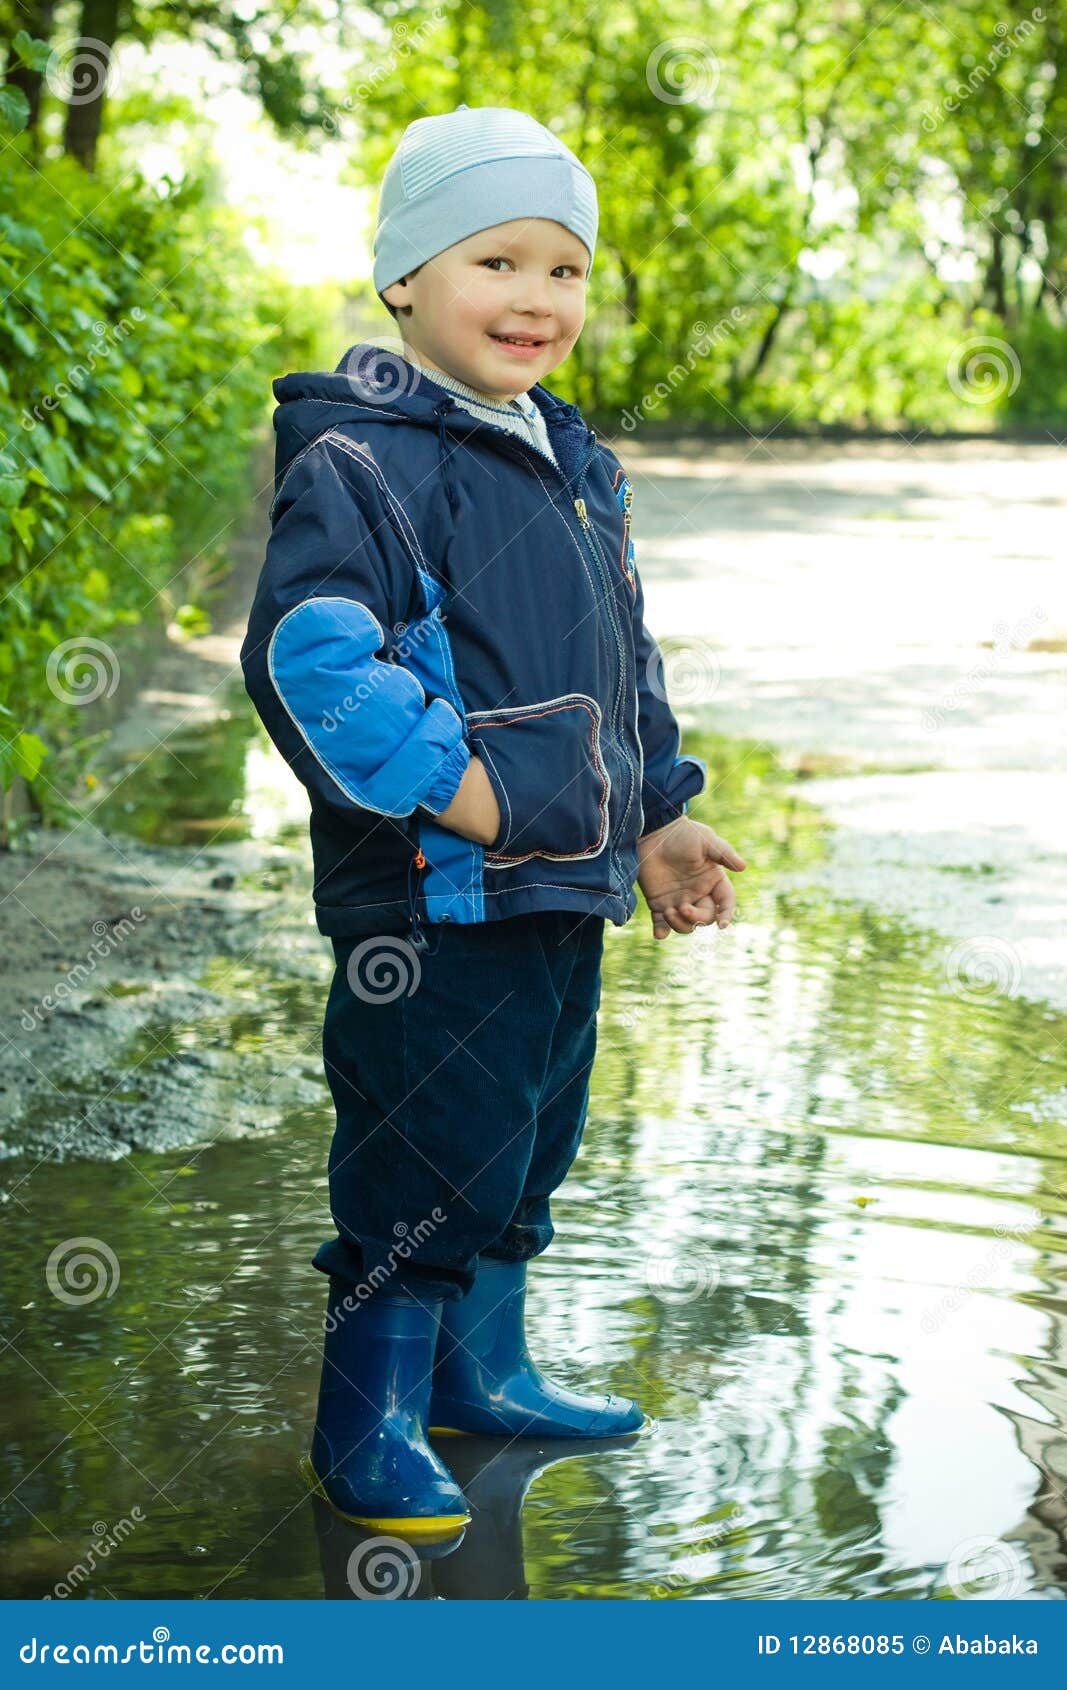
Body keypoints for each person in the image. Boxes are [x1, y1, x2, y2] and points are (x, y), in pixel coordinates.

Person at [239, 103, 748, 1542]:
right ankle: (366, 1424)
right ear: (406, 277)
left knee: (528, 1140)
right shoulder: (365, 458)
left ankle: (485, 1368)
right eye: (496, 262)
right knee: (425, 1154)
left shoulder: (572, 458)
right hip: (432, 910)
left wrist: (657, 815)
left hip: (561, 894)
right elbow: (315, 660)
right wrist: (466, 794)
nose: (536, 300)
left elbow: (619, 659)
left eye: (565, 271)